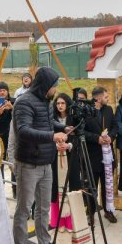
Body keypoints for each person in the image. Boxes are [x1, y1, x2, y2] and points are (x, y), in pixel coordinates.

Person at [12, 66, 71, 244]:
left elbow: (47, 123)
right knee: (24, 209)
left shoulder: (45, 102)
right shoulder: (23, 103)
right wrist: (53, 136)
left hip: (46, 162)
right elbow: (23, 131)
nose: (56, 90)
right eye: (54, 86)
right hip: (28, 164)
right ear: (46, 85)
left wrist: (63, 128)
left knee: (43, 207)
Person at [81, 86, 118, 222]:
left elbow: (115, 126)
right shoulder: (86, 112)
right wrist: (97, 139)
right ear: (98, 98)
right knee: (92, 186)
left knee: (107, 185)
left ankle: (108, 211)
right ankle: (90, 213)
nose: (108, 99)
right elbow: (82, 132)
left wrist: (111, 137)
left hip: (107, 156)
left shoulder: (108, 110)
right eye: (106, 97)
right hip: (92, 156)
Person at [49, 93, 77, 232]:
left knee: (70, 189)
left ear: (67, 104)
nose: (60, 106)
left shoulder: (73, 118)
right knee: (55, 190)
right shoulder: (51, 119)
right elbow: (47, 137)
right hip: (55, 159)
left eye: (62, 103)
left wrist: (69, 146)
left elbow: (78, 139)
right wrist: (55, 146)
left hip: (70, 159)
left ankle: (70, 222)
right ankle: (58, 222)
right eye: (58, 103)